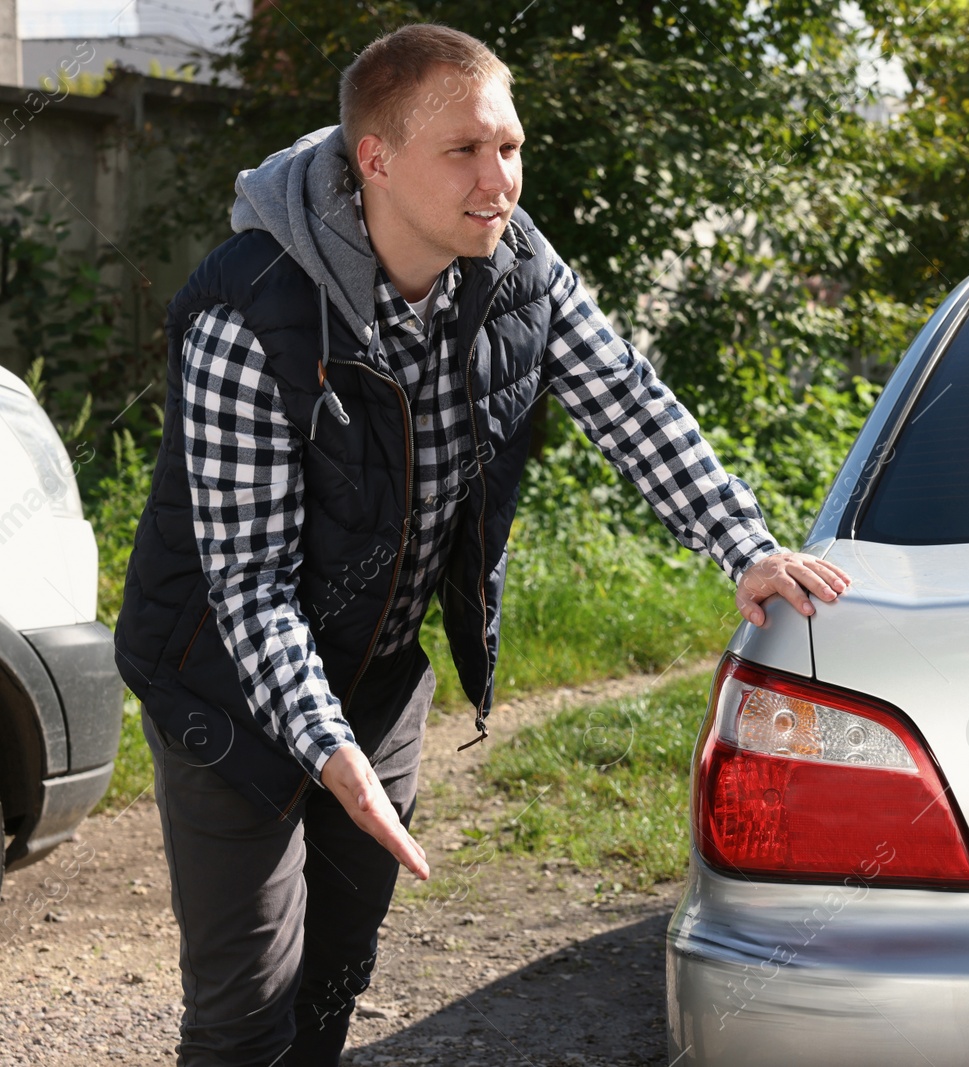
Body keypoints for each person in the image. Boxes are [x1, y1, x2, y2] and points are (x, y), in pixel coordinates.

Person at [112, 22, 850, 1066]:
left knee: (332, 981)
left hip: (375, 671)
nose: (497, 178)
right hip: (220, 679)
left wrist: (744, 546)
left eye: (508, 147)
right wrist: (332, 759)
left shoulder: (515, 268)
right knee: (246, 1007)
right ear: (375, 158)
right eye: (464, 150)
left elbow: (627, 401)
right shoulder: (249, 312)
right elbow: (247, 586)